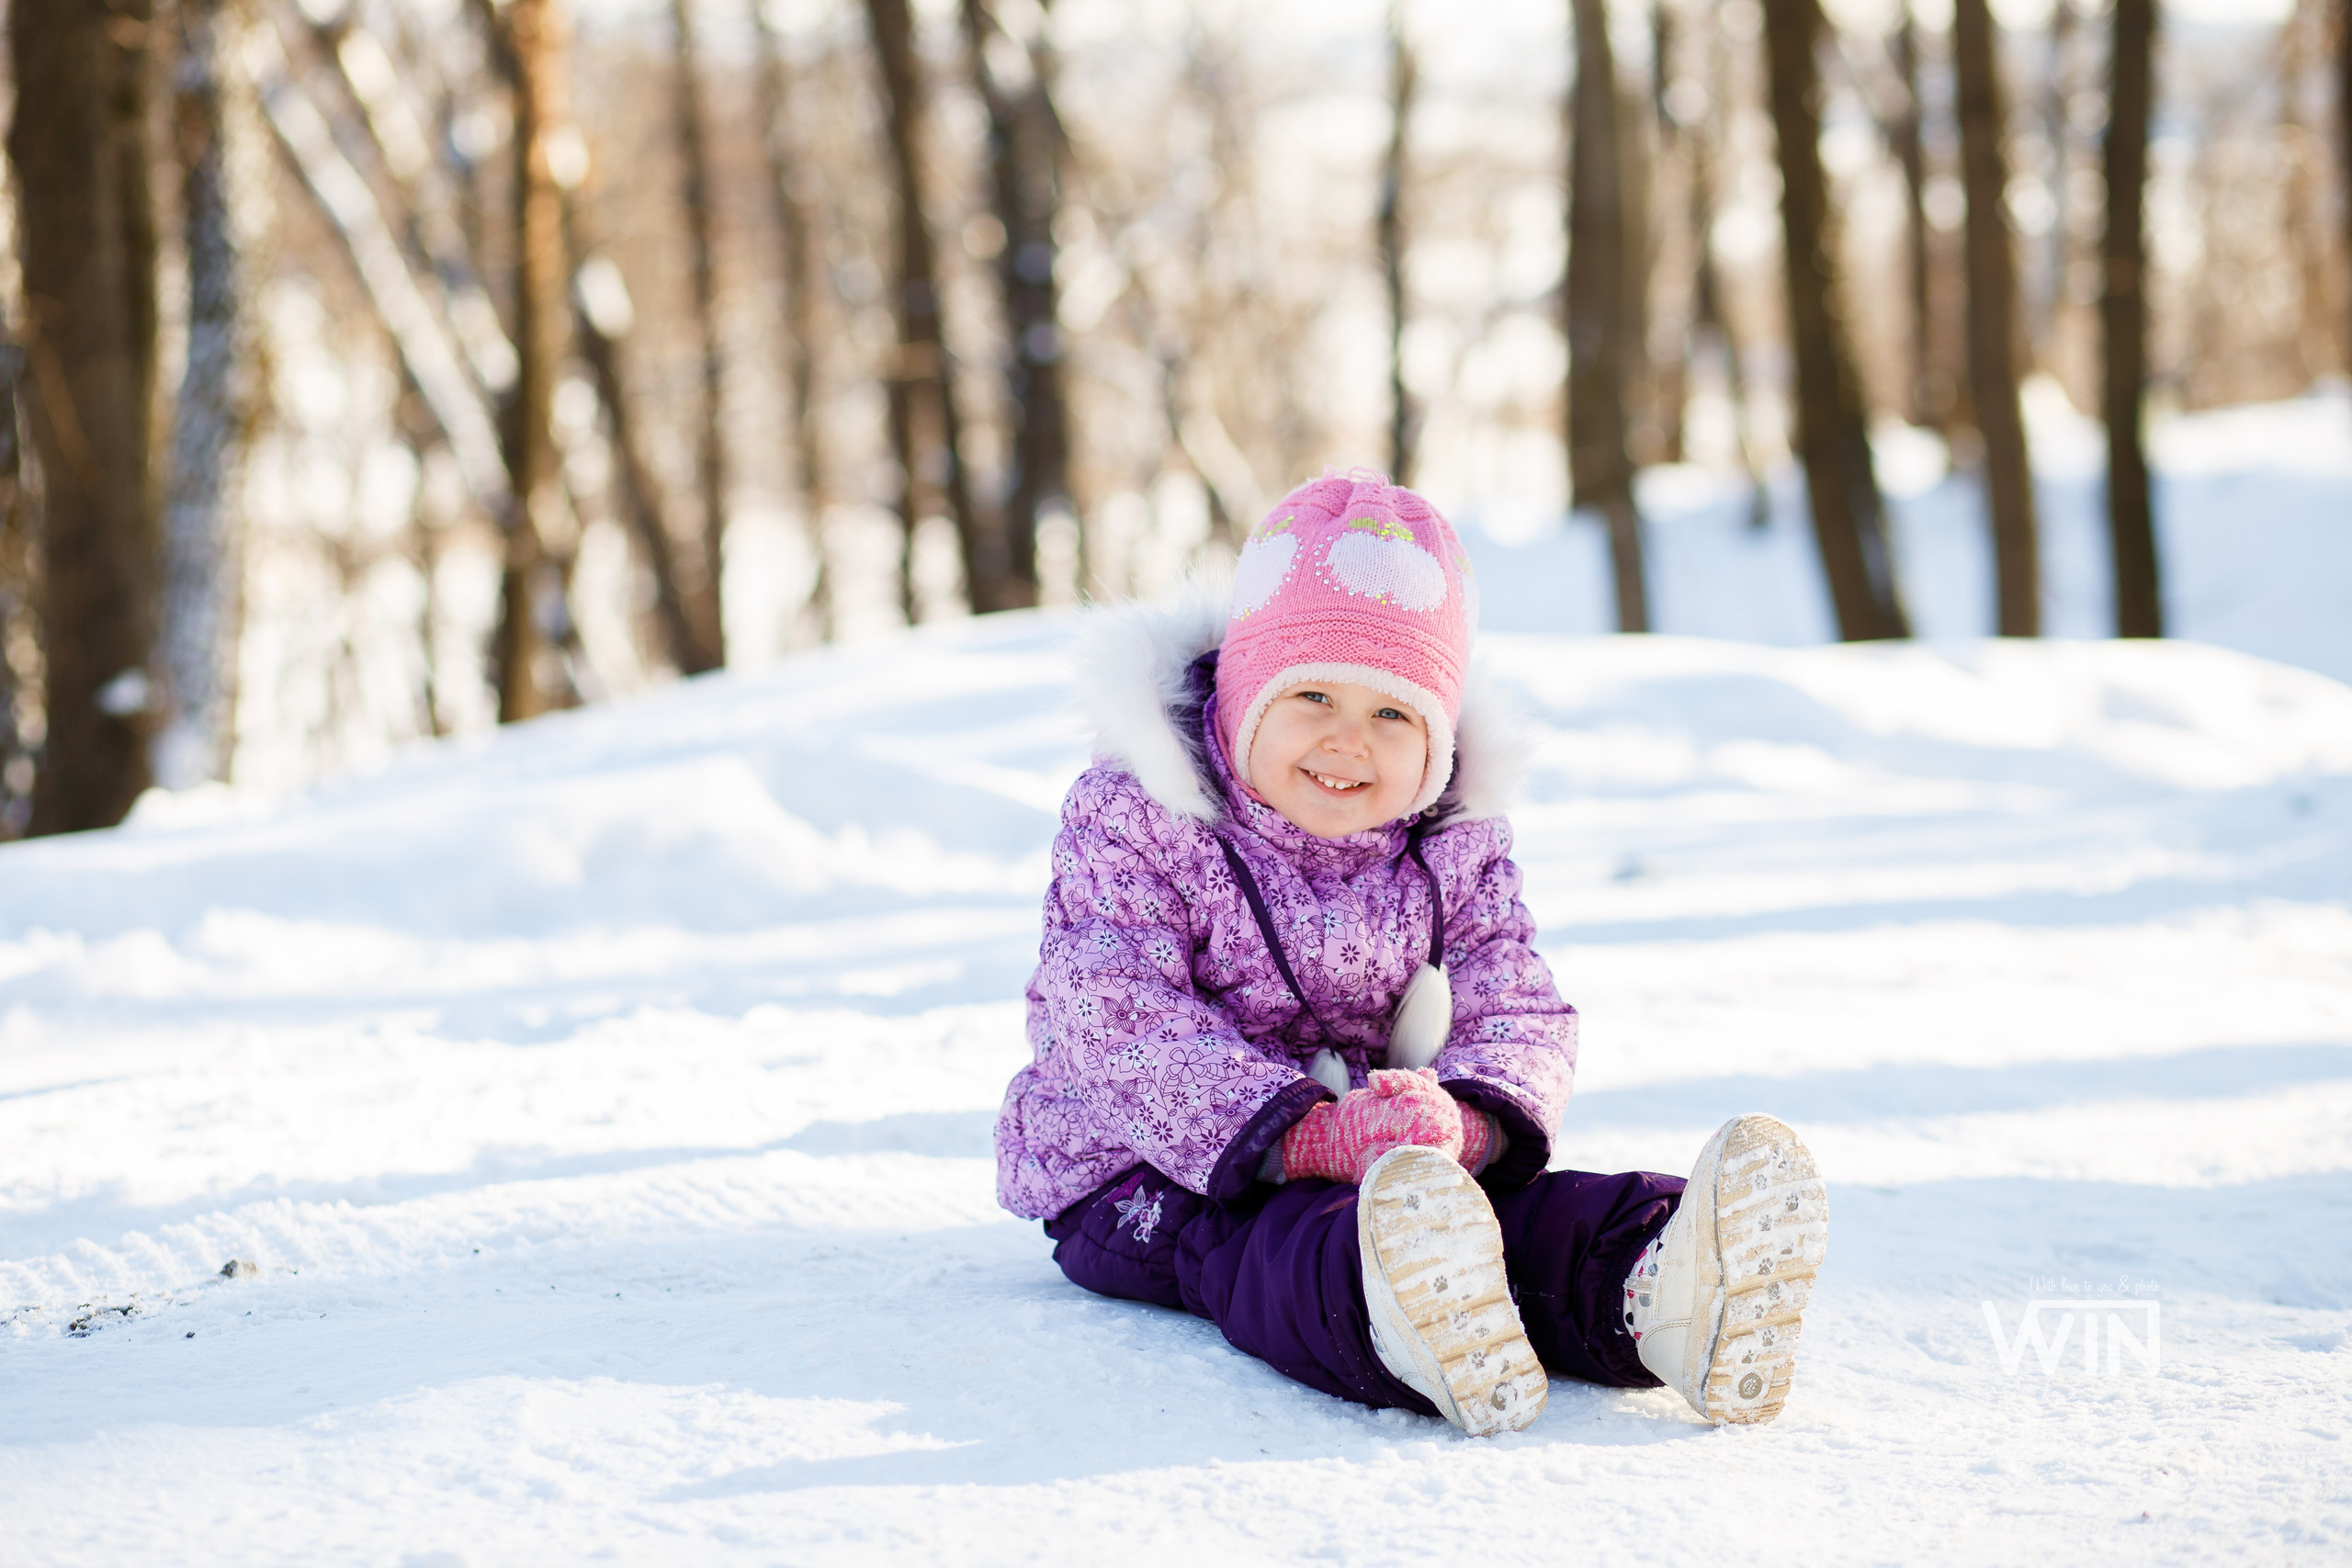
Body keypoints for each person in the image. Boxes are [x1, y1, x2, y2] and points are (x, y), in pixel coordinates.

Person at [992, 469, 1828, 1436]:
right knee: (1259, 1241)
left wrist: (1468, 1126)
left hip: (1387, 1157)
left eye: (1393, 714)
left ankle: (1658, 1279)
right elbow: (1114, 1015)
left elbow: (1514, 1002)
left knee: (1499, 1217)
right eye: (1311, 696)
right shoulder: (1141, 814)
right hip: (1143, 1166)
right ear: (1238, 695)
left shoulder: (1450, 842)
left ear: (1435, 740)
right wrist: (1301, 1136)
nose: (1349, 741)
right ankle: (1392, 1311)